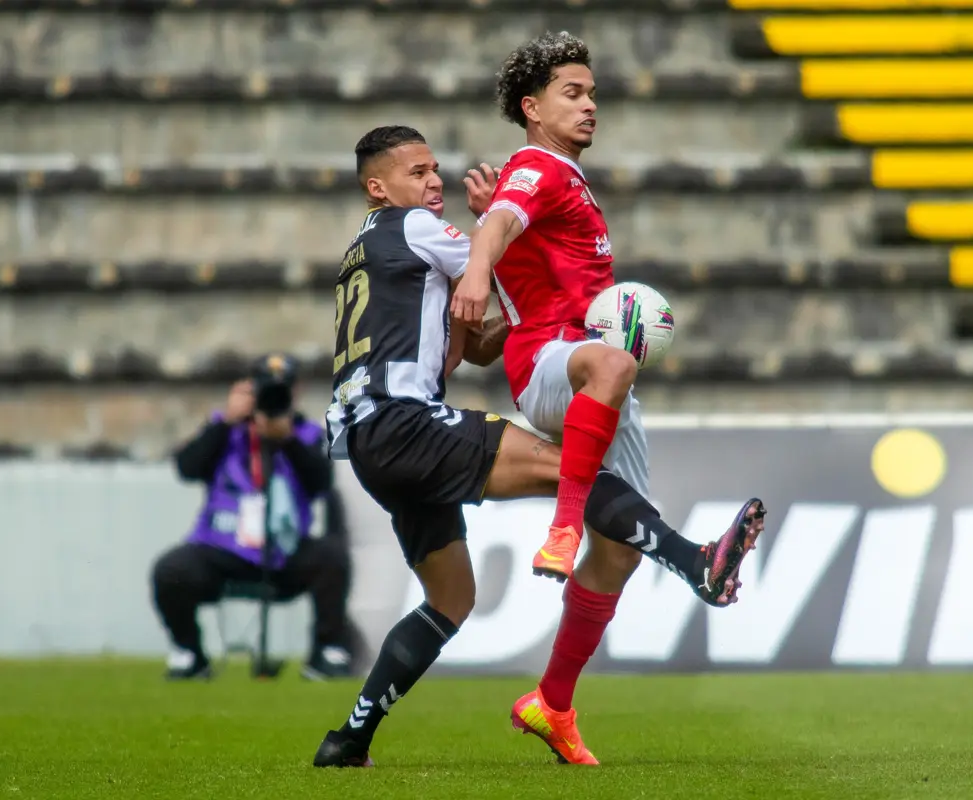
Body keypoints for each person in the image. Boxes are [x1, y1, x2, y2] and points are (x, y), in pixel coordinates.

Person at [313, 125, 765, 768]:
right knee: (569, 468)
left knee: (451, 600)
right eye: (416, 173)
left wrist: (494, 303)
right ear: (376, 187)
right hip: (407, 423)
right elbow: (490, 261)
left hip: (369, 443)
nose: (433, 180)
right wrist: (493, 220)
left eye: (434, 168)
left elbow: (471, 344)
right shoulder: (413, 228)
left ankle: (348, 741)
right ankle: (694, 562)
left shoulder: (362, 253)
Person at [449, 32, 766, 764]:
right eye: (573, 93)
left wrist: (491, 284)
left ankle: (551, 704)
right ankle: (584, 531)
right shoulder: (538, 165)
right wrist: (474, 265)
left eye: (592, 93)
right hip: (565, 367)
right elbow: (499, 226)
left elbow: (512, 276)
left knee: (620, 551)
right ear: (531, 108)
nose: (590, 105)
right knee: (617, 364)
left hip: (576, 364)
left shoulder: (557, 179)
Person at [151, 355, 356, 682]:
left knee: (331, 559)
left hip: (284, 550)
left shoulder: (306, 434)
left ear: (296, 392)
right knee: (171, 570)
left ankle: (326, 651)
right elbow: (187, 467)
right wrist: (226, 420)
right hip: (224, 546)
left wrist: (285, 439)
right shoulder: (225, 429)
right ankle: (189, 653)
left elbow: (321, 482)